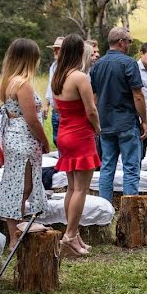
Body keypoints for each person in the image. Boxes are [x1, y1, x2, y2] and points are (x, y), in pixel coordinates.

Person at [0, 38, 51, 249]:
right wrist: (45, 141)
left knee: (16, 185)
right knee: (23, 187)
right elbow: (32, 119)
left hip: (13, 138)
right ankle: (14, 235)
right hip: (23, 139)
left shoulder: (9, 81)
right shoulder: (23, 84)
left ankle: (14, 233)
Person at [52, 34, 101, 256]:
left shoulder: (58, 76)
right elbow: (91, 110)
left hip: (64, 133)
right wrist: (98, 128)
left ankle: (74, 233)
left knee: (72, 188)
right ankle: (70, 236)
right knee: (81, 188)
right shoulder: (80, 77)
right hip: (80, 135)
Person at [90, 26, 147, 201]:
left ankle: (104, 208)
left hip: (105, 123)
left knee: (107, 166)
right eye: (129, 41)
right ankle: (130, 209)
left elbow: (94, 97)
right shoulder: (129, 63)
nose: (130, 45)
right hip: (126, 122)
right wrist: (144, 120)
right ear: (121, 42)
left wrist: (96, 122)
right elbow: (138, 95)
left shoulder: (97, 65)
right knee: (131, 167)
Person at [43, 37, 63, 150]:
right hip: (55, 109)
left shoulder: (72, 67)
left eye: (58, 49)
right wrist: (46, 104)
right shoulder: (54, 66)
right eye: (54, 49)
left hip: (65, 109)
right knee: (56, 138)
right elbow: (50, 86)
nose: (55, 51)